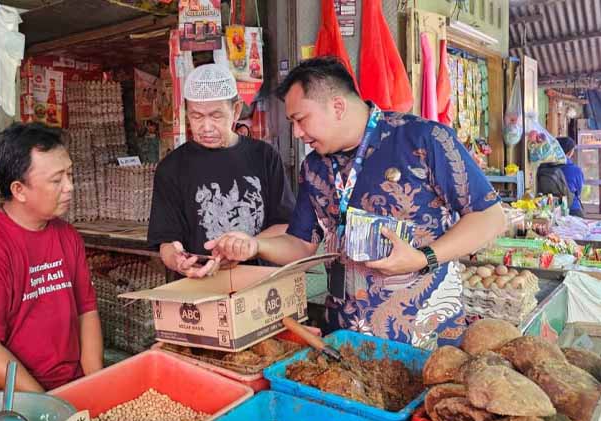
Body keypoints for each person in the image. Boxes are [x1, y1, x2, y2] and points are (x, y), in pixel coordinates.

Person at [206, 57, 506, 349]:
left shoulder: (423, 140)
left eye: (300, 120)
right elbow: (300, 243)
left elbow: (490, 217)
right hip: (345, 338)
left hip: (425, 338)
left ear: (337, 106)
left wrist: (423, 257)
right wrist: (255, 246)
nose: (297, 133)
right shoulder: (314, 168)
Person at [0, 122, 102, 394]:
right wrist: (47, 408)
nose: (70, 187)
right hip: (4, 403)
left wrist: (96, 389)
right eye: (57, 180)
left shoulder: (67, 236)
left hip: (68, 390)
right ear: (19, 190)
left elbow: (86, 312)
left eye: (70, 174)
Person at [148, 63, 295, 278]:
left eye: (216, 116)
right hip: (199, 286)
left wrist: (249, 245)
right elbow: (167, 242)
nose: (206, 127)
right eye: (196, 116)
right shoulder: (171, 168)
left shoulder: (264, 156)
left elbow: (284, 224)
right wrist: (178, 261)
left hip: (258, 284)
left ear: (235, 110)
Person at [557, 136, 585, 217]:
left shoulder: (546, 166)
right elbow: (578, 191)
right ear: (569, 152)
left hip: (551, 208)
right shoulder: (576, 170)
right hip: (573, 208)